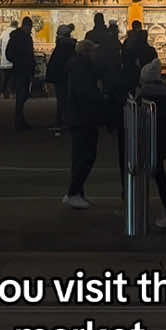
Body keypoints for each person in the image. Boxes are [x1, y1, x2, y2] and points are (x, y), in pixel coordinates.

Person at [63, 39, 110, 208]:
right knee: (86, 156)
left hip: (79, 117)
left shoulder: (78, 66)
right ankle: (73, 192)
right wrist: (101, 99)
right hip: (83, 118)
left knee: (79, 156)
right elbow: (86, 92)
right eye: (93, 51)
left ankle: (77, 192)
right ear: (86, 53)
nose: (95, 54)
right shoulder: (81, 69)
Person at [140, 57, 166, 227]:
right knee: (158, 175)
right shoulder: (163, 91)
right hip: (161, 138)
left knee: (157, 175)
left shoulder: (147, 94)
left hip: (152, 138)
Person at [6, 17, 35, 130]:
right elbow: (10, 53)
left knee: (23, 94)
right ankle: (18, 120)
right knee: (21, 94)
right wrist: (21, 60)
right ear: (25, 26)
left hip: (22, 68)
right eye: (29, 27)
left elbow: (9, 53)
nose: (30, 29)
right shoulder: (21, 38)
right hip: (21, 69)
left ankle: (20, 119)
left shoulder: (19, 37)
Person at [46, 24, 77, 134]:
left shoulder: (63, 46)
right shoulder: (70, 46)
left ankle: (62, 121)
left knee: (62, 99)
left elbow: (58, 62)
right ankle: (63, 120)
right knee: (63, 99)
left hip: (61, 77)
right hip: (64, 76)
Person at [0, 22, 17, 98]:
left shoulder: (3, 33)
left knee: (4, 79)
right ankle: (10, 93)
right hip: (12, 62)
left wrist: (2, 55)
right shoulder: (16, 34)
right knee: (11, 79)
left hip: (3, 61)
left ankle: (2, 93)